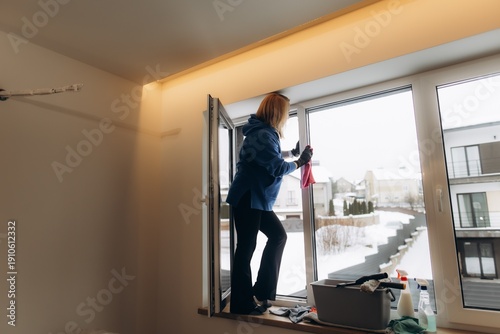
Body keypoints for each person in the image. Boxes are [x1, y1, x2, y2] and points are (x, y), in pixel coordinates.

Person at [226, 92, 313, 315]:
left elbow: (271, 155)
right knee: (246, 249)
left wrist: (292, 153)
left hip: (258, 199)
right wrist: (299, 162)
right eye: (284, 113)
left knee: (278, 236)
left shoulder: (263, 133)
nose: (284, 118)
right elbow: (276, 167)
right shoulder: (263, 135)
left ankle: (261, 291)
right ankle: (241, 304)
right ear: (277, 112)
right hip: (248, 198)